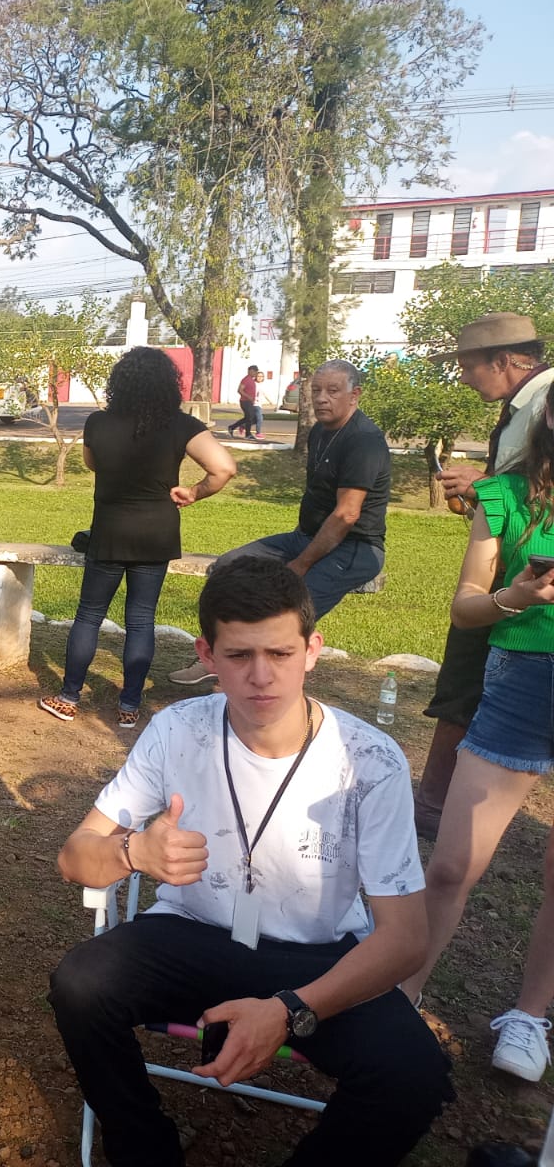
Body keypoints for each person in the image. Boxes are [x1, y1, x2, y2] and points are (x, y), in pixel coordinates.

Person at [50, 556, 451, 1167]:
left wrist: (290, 1012)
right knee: (80, 985)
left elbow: (405, 940)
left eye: (280, 654)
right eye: (239, 656)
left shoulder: (369, 760)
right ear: (207, 655)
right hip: (192, 933)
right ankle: (145, 1148)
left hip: (315, 955)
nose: (261, 677)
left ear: (312, 651)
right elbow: (73, 858)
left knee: (414, 1074)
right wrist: (133, 852)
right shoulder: (177, 730)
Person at [402, 395, 554, 1081]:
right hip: (521, 680)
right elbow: (466, 607)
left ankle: (530, 1016)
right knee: (451, 866)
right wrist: (515, 597)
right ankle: (402, 996)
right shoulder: (506, 497)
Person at [39, 348, 236, 729]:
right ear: (168, 384)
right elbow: (224, 468)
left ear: (119, 384)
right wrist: (193, 493)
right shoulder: (182, 425)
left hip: (109, 532)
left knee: (89, 616)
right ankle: (129, 706)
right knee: (141, 620)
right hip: (156, 534)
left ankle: (68, 697)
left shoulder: (98, 422)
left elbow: (92, 463)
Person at [413, 313, 551, 839]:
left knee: (468, 672)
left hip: (523, 576)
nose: (464, 377)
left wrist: (484, 483)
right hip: (512, 562)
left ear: (503, 361)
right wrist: (485, 493)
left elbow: (535, 488)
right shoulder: (525, 402)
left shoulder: (542, 402)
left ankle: (437, 806)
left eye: (468, 366)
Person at [170, 359, 390, 685]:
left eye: (332, 391)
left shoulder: (363, 441)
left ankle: (262, 686)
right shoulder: (320, 432)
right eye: (316, 390)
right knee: (228, 567)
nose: (321, 398)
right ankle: (216, 658)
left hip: (355, 547)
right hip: (308, 536)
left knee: (286, 612)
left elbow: (347, 514)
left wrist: (300, 565)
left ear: (354, 395)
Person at [226, 365, 263, 440]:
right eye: (255, 372)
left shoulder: (252, 380)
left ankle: (232, 427)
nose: (256, 373)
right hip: (245, 401)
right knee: (249, 418)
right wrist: (248, 397)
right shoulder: (246, 379)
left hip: (250, 402)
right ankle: (248, 434)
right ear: (251, 371)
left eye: (256, 372)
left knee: (250, 418)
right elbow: (240, 390)